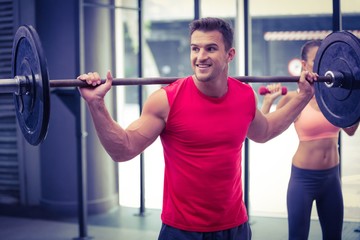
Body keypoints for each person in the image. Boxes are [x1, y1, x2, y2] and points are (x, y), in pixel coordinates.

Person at [77, 17, 318, 240]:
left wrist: (304, 96)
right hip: (181, 230)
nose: (200, 56)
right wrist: (96, 104)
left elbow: (264, 132)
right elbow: (124, 150)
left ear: (230, 54)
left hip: (235, 227)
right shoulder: (165, 101)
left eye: (210, 48)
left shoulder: (244, 95)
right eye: (195, 48)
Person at [261, 40, 359, 240]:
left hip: (332, 179)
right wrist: (268, 102)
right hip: (303, 181)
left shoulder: (335, 99)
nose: (323, 67)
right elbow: (264, 129)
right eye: (316, 61)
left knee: (334, 237)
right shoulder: (293, 100)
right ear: (304, 65)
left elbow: (350, 130)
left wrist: (356, 102)